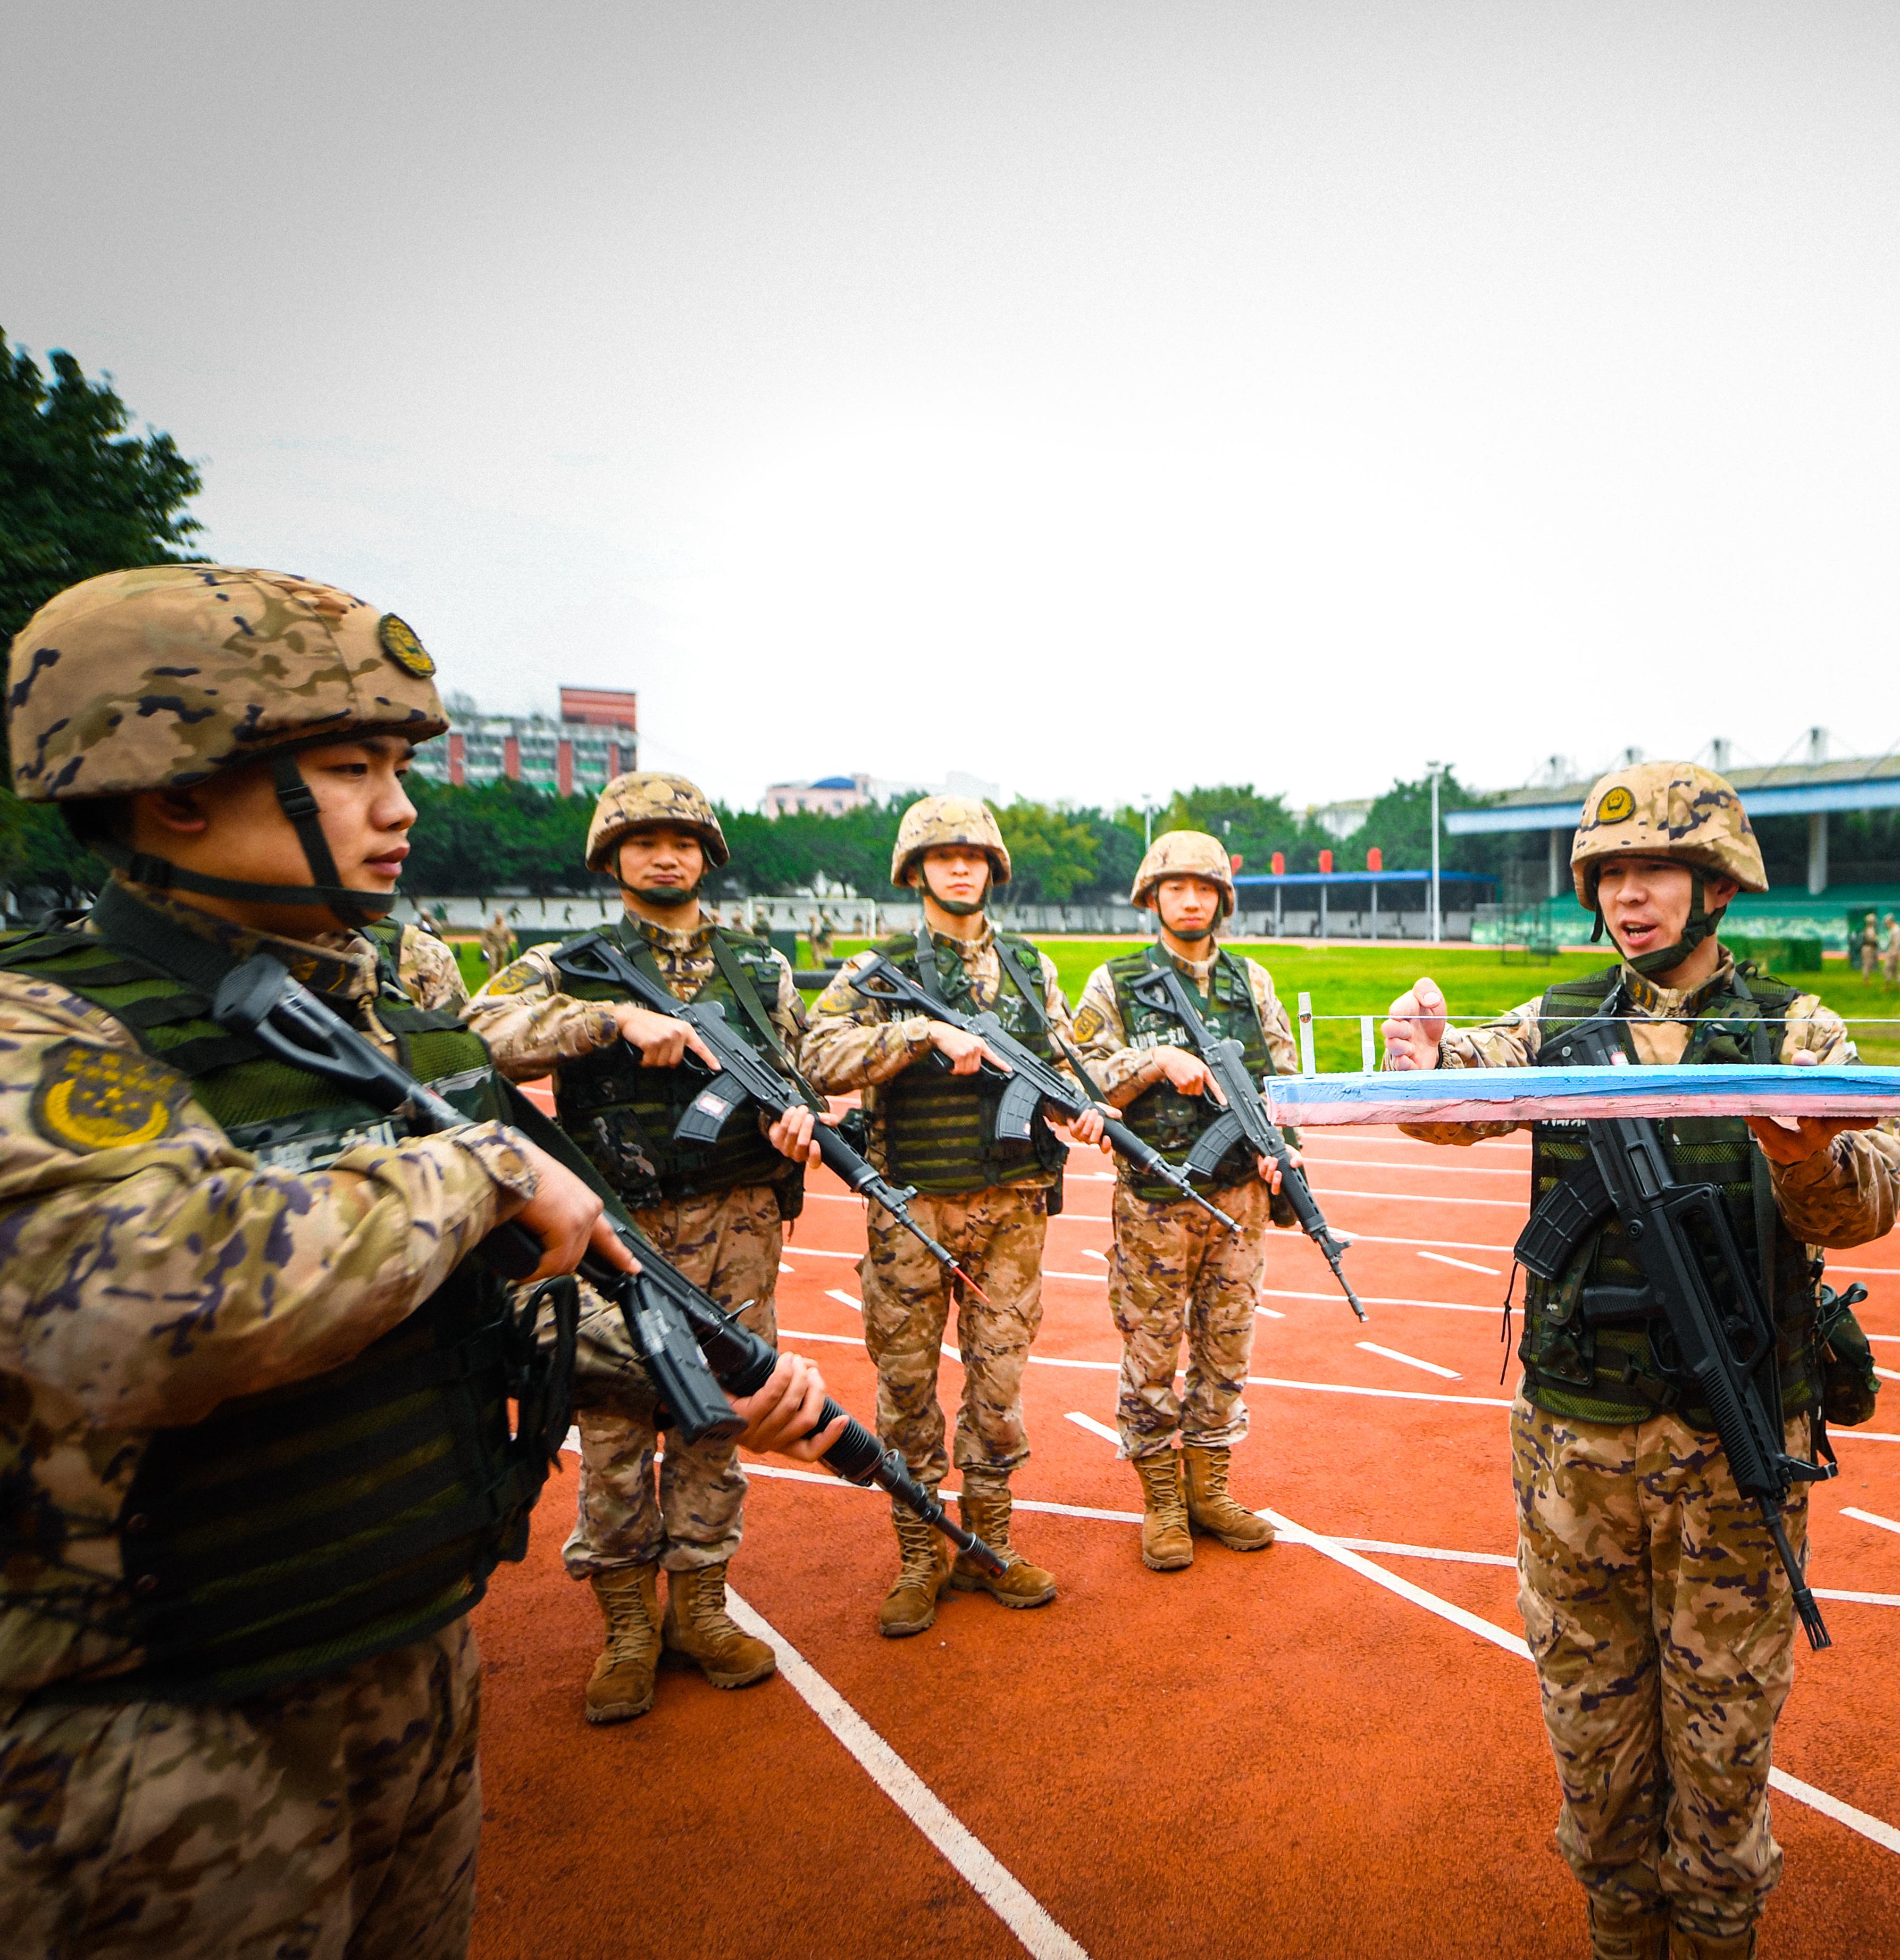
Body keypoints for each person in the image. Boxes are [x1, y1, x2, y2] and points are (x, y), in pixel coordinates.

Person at [0, 564, 841, 1959]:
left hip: (407, 1662)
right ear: (173, 786)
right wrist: (490, 1165)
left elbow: (491, 1312)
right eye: (347, 768)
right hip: (144, 1742)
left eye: (399, 765)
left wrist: (709, 1374)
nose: (400, 807)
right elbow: (148, 1305)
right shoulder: (46, 1032)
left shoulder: (390, 1033)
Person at [1379, 761, 1900, 1960]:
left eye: (1656, 870)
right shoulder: (1560, 1024)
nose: (1630, 895)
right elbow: (1452, 1102)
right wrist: (1419, 1065)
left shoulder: (1796, 1033)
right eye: (1610, 874)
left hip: (1730, 1459)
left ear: (1715, 885)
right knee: (1594, 1751)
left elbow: (1869, 1203)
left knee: (1719, 1767)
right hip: (1571, 1455)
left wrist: (1805, 1150)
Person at [465, 771, 824, 1725]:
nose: (664, 855)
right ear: (612, 858)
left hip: (741, 1224)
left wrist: (799, 1125)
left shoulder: (762, 967)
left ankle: (701, 1609)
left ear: (707, 854)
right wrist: (607, 1019)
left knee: (720, 1416)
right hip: (617, 1231)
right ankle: (626, 1624)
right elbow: (472, 1037)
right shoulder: (568, 962)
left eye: (681, 840)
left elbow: (794, 1072)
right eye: (642, 841)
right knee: (618, 1429)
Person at [799, 796, 1105, 1630]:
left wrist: (1078, 1110)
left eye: (974, 855)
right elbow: (814, 1056)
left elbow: (1063, 1064)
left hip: (1010, 1210)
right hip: (911, 1210)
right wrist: (917, 1037)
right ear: (916, 871)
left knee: (997, 1389)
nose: (961, 866)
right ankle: (917, 1552)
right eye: (943, 856)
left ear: (994, 868)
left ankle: (990, 1544)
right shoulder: (876, 968)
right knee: (904, 1392)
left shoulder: (1031, 970)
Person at [1068, 830, 1297, 1569]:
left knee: (1227, 1348)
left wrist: (1286, 1152)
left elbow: (1282, 1086)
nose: (1191, 899)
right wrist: (1153, 1061)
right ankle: (1161, 1498)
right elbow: (1079, 1078)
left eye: (1204, 887)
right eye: (1176, 887)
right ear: (1152, 898)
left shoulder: (1251, 983)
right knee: (1151, 1349)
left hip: (1240, 1200)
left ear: (1221, 899)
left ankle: (1210, 1488)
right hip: (1155, 1205)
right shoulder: (1114, 982)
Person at [1880, 911, 1900, 991]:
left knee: (1888, 969)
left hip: (1894, 952)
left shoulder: (1896, 930)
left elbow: (1896, 943)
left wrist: (1894, 953)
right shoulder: (1894, 929)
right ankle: (1898, 986)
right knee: (1896, 970)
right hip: (1893, 951)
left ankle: (1888, 985)